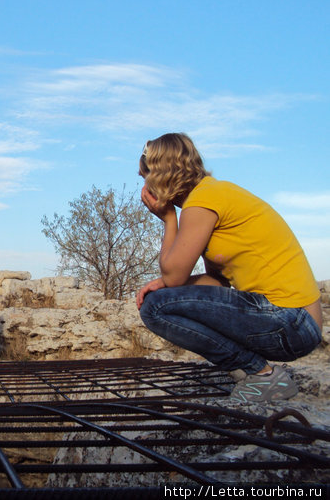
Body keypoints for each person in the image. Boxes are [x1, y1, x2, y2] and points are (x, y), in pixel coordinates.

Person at [136, 133, 322, 403]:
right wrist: (165, 284)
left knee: (154, 307)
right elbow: (218, 282)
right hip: (297, 324)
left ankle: (261, 374)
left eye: (145, 177)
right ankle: (258, 372)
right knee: (160, 298)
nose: (144, 186)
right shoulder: (211, 194)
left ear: (162, 174)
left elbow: (174, 275)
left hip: (291, 322)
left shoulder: (203, 200)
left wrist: (167, 219)